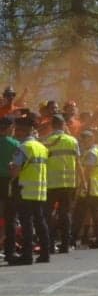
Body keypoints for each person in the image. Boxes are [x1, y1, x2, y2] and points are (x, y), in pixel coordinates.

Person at [9, 113, 50, 264]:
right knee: (40, 221)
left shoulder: (24, 147)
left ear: (24, 131)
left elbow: (15, 171)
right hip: (39, 191)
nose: (15, 133)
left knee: (27, 223)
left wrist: (10, 169)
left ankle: (27, 255)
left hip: (25, 190)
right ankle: (45, 253)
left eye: (17, 130)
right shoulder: (41, 147)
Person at [45, 114, 80, 253]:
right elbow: (78, 163)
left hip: (51, 184)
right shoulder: (73, 141)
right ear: (63, 125)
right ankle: (66, 244)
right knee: (65, 215)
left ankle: (50, 243)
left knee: (49, 214)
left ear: (52, 125)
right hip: (69, 184)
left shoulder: (47, 141)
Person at [73, 130, 98, 248]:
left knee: (79, 214)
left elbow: (87, 170)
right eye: (82, 139)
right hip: (96, 188)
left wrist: (82, 185)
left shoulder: (91, 153)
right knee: (96, 215)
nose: (83, 142)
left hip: (89, 187)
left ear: (92, 139)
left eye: (86, 139)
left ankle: (72, 240)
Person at [1, 116, 20, 263]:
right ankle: (10, 251)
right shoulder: (15, 144)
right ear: (9, 128)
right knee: (10, 218)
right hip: (9, 182)